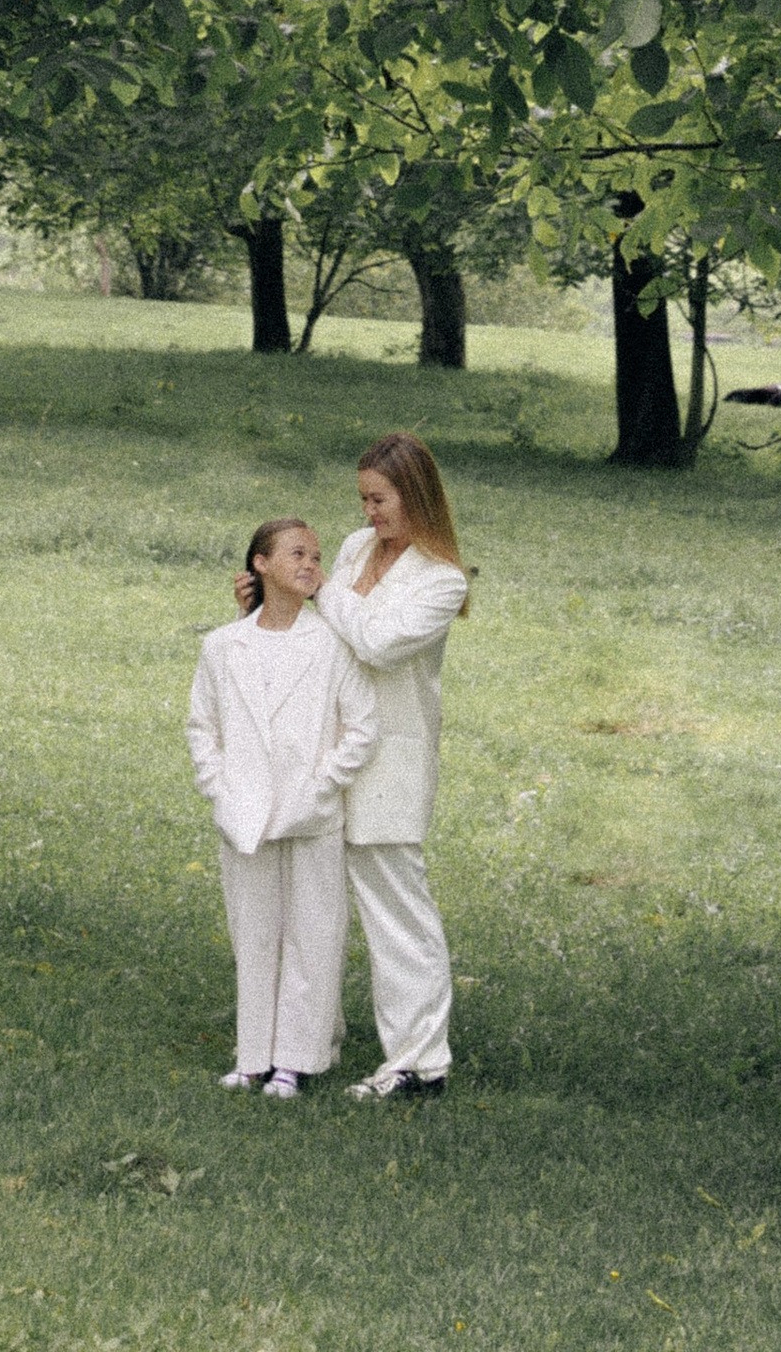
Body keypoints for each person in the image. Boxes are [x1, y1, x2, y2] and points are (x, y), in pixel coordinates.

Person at [305, 431, 473, 1102]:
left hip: (391, 760)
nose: (368, 513)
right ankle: (303, 1044)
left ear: (416, 497)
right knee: (319, 903)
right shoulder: (354, 548)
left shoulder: (442, 580)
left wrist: (320, 589)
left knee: (397, 912)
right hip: (331, 747)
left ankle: (419, 1063)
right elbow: (326, 636)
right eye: (363, 499)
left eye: (379, 500)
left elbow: (374, 642)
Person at [187, 515, 378, 1099]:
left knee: (313, 933)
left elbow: (361, 728)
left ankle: (297, 1058)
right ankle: (253, 1056)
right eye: (296, 553)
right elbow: (202, 727)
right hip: (244, 813)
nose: (311, 565)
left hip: (310, 813)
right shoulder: (223, 646)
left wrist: (321, 786)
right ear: (260, 565)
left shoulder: (331, 645)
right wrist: (220, 790)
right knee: (255, 934)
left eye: (317, 557)